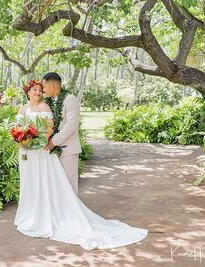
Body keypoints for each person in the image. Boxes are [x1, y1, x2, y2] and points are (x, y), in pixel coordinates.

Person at [14, 78, 148, 250]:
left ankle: (63, 215)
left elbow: (50, 129)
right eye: (35, 90)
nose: (39, 92)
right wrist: (21, 140)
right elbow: (17, 128)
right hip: (26, 153)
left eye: (41, 89)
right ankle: (30, 214)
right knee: (29, 182)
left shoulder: (47, 106)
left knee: (58, 184)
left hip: (42, 150)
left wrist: (39, 141)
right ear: (28, 92)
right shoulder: (23, 108)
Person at [42, 72, 81, 194]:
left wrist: (53, 141)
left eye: (44, 87)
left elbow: (71, 125)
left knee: (69, 184)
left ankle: (72, 212)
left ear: (52, 85)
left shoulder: (71, 100)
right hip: (52, 150)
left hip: (68, 149)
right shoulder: (48, 102)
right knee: (56, 185)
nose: (43, 90)